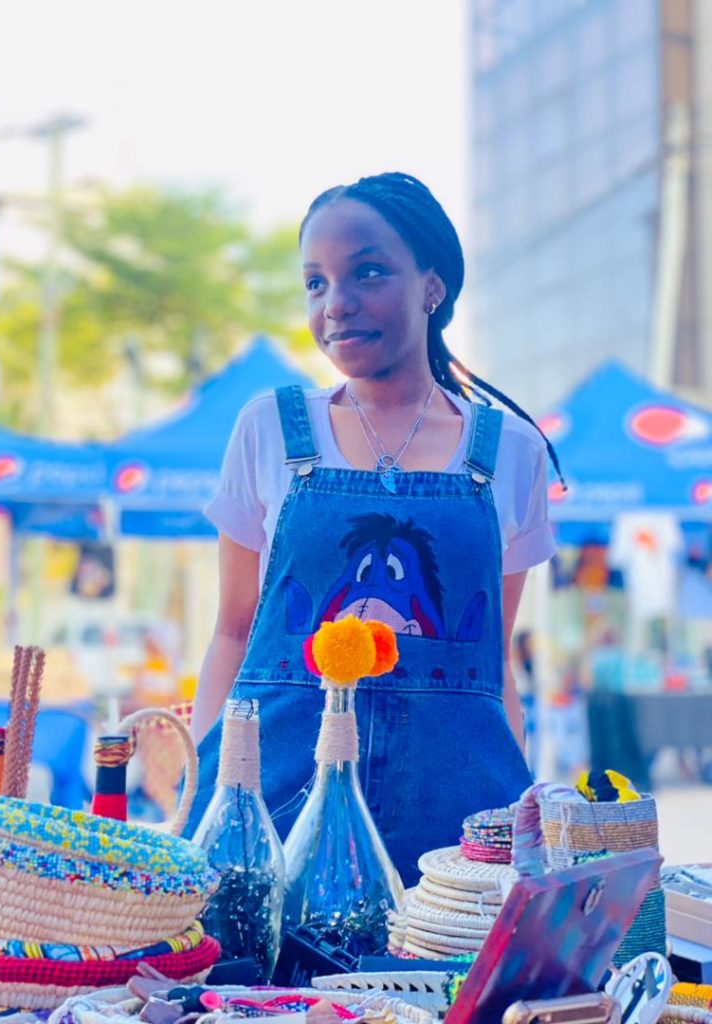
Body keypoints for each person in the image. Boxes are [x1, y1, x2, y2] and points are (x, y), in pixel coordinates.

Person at [187, 172, 558, 884]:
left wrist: (519, 819)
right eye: (316, 283)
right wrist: (212, 797)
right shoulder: (268, 429)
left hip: (457, 827)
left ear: (432, 286)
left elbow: (491, 658)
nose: (337, 305)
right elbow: (234, 631)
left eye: (368, 272)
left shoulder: (513, 452)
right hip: (275, 807)